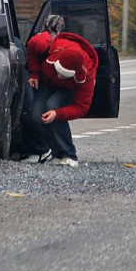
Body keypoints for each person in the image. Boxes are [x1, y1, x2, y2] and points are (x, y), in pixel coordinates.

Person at [22, 16, 98, 168]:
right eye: (58, 71)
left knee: (52, 106)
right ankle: (55, 153)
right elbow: (31, 48)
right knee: (36, 117)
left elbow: (81, 107)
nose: (59, 76)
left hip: (69, 89)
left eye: (64, 75)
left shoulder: (87, 76)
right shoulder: (44, 43)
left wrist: (58, 114)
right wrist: (35, 73)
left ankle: (69, 154)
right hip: (46, 82)